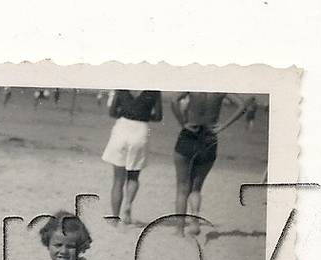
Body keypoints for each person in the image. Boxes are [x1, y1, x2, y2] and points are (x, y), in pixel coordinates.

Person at [171, 92, 247, 236]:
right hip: (209, 137)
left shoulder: (195, 84)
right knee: (196, 188)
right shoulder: (220, 88)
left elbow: (174, 101)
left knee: (182, 188)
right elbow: (242, 106)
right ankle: (194, 220)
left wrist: (183, 123)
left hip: (189, 134)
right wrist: (223, 126)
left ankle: (179, 230)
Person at [102, 90, 163, 224]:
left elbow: (112, 112)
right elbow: (158, 116)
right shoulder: (154, 90)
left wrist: (126, 112)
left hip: (122, 127)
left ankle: (115, 218)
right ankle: (128, 204)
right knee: (134, 176)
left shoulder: (122, 86)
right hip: (140, 129)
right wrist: (144, 114)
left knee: (118, 180)